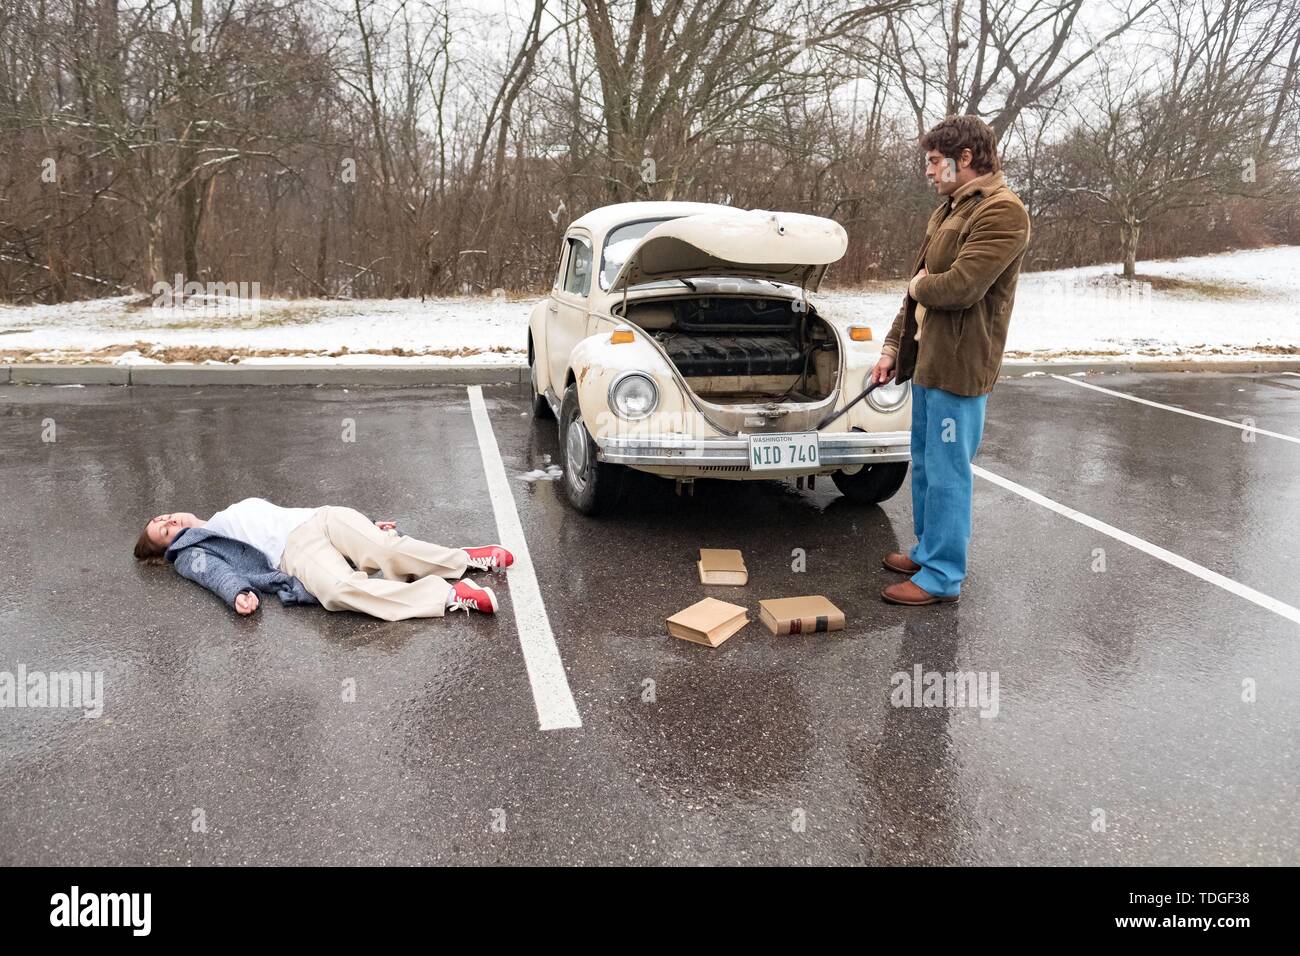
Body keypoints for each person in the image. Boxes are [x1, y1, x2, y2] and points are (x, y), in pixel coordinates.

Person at [870, 115, 1031, 606]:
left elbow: (959, 287)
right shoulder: (948, 210)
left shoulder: (1003, 213)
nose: (928, 171)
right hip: (928, 363)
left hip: (960, 369)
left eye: (934, 161)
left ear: (966, 159)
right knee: (923, 465)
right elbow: (915, 293)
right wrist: (894, 346)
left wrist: (916, 285)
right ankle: (927, 551)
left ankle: (941, 576)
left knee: (948, 472)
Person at [133, 497, 511, 620]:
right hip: (294, 550)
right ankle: (448, 595)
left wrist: (366, 526)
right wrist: (236, 593)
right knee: (339, 591)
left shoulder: (224, 515)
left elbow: (287, 510)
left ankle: (464, 559)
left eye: (162, 518)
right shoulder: (191, 552)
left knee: (384, 547)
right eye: (164, 532)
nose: (169, 522)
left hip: (320, 517)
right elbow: (213, 573)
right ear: (169, 548)